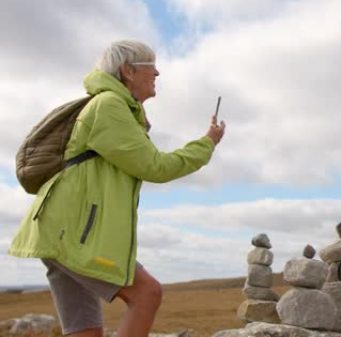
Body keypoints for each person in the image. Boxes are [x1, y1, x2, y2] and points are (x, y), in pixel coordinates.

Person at [9, 40, 226, 337]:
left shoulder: (113, 107)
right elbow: (156, 167)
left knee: (85, 330)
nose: (158, 73)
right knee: (147, 293)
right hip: (74, 233)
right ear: (128, 71)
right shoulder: (110, 105)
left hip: (61, 230)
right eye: (152, 67)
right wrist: (207, 144)